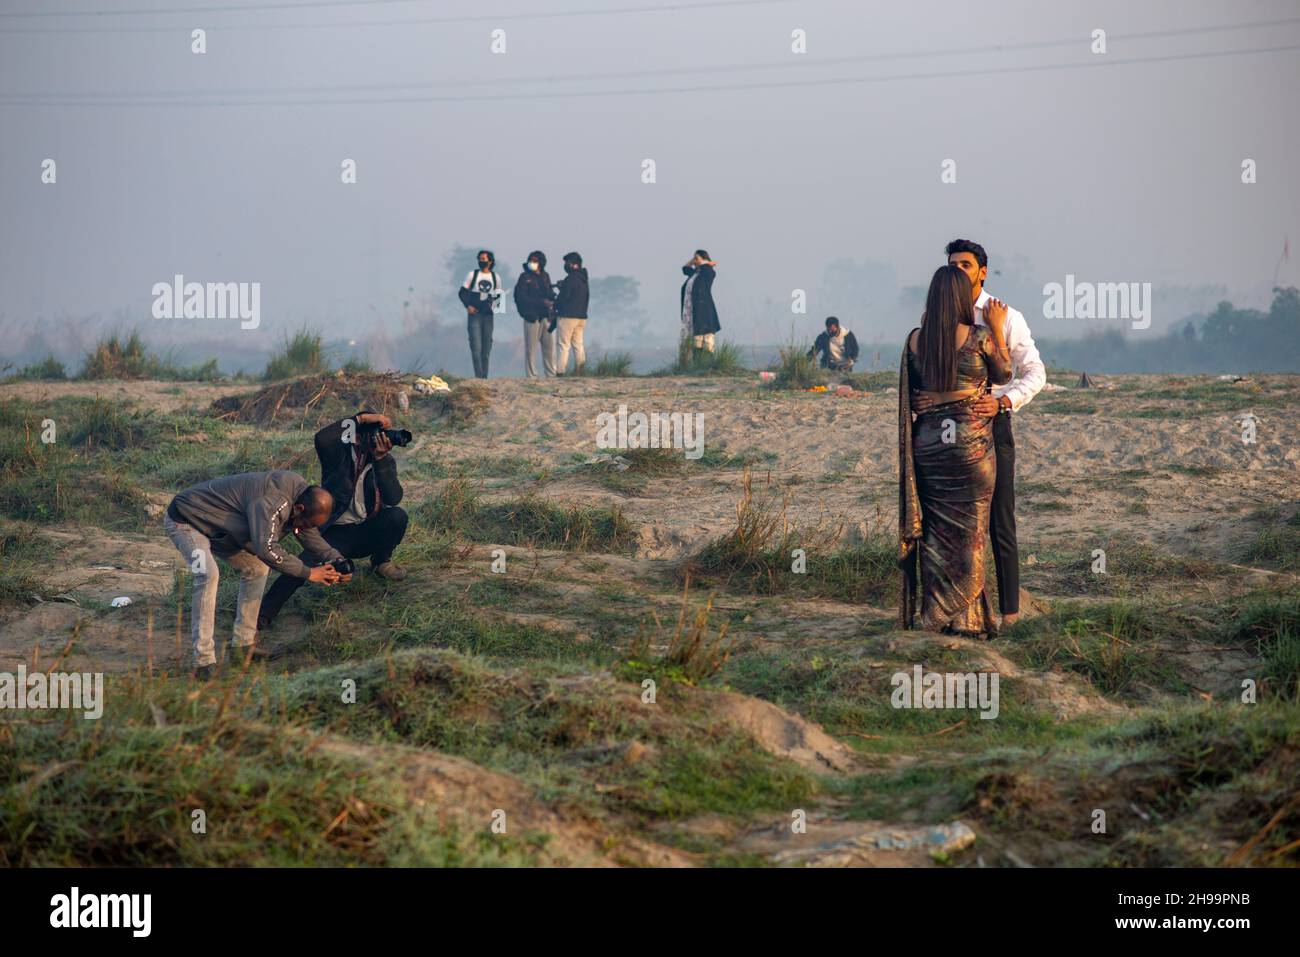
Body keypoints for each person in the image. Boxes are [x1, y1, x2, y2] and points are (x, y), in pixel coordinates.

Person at [917, 238, 1046, 628]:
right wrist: (930, 399)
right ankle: (963, 611)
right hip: (945, 431)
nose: (959, 270)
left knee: (998, 521)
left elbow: (1034, 374)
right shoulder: (935, 318)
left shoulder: (1005, 317)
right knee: (947, 523)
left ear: (982, 272)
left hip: (993, 422)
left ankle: (1009, 612)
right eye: (953, 264)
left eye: (966, 265)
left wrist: (1003, 403)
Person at [898, 265, 1012, 638]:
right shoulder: (979, 337)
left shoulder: (915, 340)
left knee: (935, 533)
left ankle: (937, 614)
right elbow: (1005, 374)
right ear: (963, 298)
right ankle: (967, 619)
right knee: (972, 534)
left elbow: (915, 395)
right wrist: (996, 327)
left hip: (930, 447)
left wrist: (942, 396)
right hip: (970, 447)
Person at [164, 470, 346, 679]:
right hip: (187, 521)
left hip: (221, 530)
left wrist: (336, 559)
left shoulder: (300, 496)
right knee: (208, 575)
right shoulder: (271, 502)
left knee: (257, 569)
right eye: (310, 522)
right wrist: (308, 572)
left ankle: (243, 646)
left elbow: (306, 532)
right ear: (300, 509)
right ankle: (203, 663)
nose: (308, 528)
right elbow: (266, 550)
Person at [257, 410, 409, 632]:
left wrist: (381, 460)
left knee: (397, 516)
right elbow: (322, 438)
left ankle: (381, 562)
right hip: (336, 533)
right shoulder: (338, 455)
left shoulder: (384, 460)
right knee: (301, 566)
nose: (379, 440)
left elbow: (393, 498)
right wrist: (361, 418)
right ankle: (263, 615)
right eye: (373, 434)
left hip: (367, 529)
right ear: (357, 436)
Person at [458, 249, 501, 378]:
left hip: (488, 316)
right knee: (476, 346)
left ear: (490, 261)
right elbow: (462, 293)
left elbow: (499, 298)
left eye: (484, 259)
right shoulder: (472, 275)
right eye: (480, 259)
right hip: (474, 315)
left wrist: (493, 309)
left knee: (486, 347)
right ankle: (478, 375)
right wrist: (468, 306)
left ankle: (484, 376)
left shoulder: (495, 277)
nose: (481, 261)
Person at [514, 250, 557, 377]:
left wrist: (553, 297)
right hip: (531, 317)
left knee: (549, 348)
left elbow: (549, 292)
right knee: (531, 349)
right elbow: (520, 297)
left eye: (535, 261)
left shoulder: (545, 276)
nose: (532, 263)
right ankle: (532, 375)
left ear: (541, 262)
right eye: (530, 260)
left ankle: (551, 374)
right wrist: (540, 302)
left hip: (546, 317)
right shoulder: (524, 277)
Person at [553, 252, 590, 374]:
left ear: (574, 265)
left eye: (567, 263)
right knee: (578, 344)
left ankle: (560, 371)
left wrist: (555, 305)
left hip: (568, 317)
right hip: (581, 317)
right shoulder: (584, 279)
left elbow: (564, 298)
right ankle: (580, 370)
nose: (565, 266)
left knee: (563, 345)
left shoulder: (571, 279)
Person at [680, 250, 720, 352]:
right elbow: (685, 269)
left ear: (704, 260)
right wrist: (693, 261)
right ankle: (698, 364)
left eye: (697, 258)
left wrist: (705, 263)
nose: (695, 261)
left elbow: (708, 271)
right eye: (694, 259)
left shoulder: (708, 273)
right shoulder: (694, 274)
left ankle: (709, 365)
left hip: (705, 310)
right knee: (696, 341)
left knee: (707, 340)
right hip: (693, 311)